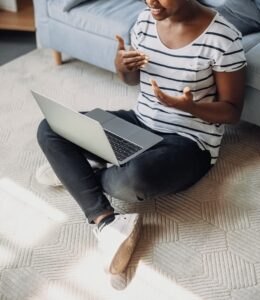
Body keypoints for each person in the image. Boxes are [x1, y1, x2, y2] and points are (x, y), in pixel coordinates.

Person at [36, 0, 246, 274]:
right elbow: (132, 81)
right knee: (51, 126)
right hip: (139, 122)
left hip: (189, 141)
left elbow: (232, 112)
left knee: (132, 181)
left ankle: (77, 174)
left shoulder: (224, 37)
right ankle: (105, 219)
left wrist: (190, 107)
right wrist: (122, 66)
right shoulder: (145, 20)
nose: (151, 2)